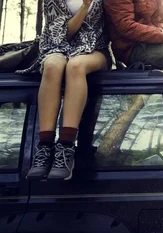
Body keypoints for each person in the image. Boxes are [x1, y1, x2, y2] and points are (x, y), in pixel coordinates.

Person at [21, 0, 111, 181]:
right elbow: (61, 36)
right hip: (59, 48)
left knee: (75, 66)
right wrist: (85, 6)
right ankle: (45, 147)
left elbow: (123, 18)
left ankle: (66, 147)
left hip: (95, 51)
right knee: (53, 66)